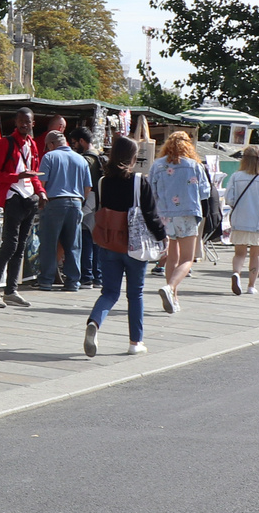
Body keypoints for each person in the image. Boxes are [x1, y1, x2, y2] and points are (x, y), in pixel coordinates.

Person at [83, 136, 167, 358]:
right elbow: (151, 215)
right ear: (132, 157)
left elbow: (98, 210)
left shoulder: (102, 182)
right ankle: (135, 342)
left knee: (109, 292)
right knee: (135, 294)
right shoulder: (140, 181)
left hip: (109, 244)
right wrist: (162, 238)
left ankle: (94, 322)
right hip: (135, 246)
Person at [0, 107, 44, 308]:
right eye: (21, 121)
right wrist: (16, 177)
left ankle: (11, 290)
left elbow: (34, 173)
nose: (25, 125)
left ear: (33, 123)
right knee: (9, 245)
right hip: (13, 198)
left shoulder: (32, 144)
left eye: (28, 122)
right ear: (16, 122)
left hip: (29, 199)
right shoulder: (5, 143)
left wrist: (40, 192)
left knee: (20, 246)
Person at [148, 131, 208, 314]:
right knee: (187, 258)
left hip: (165, 214)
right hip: (188, 213)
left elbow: (150, 189)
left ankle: (174, 298)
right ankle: (170, 287)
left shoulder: (158, 165)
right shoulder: (194, 165)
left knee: (172, 257)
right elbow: (205, 191)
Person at [35, 130, 90, 293]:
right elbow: (88, 187)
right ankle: (73, 282)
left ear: (51, 144)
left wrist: (40, 202)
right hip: (76, 203)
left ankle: (46, 280)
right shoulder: (81, 159)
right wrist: (80, 201)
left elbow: (42, 183)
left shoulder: (49, 157)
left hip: (54, 203)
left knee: (49, 244)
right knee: (73, 244)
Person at [222, 146, 259, 295]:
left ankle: (236, 273)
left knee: (239, 253)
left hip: (239, 219)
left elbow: (229, 198)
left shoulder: (236, 176)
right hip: (258, 222)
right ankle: (251, 285)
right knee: (256, 255)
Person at [70, 127, 104, 287]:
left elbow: (87, 188)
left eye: (75, 143)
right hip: (100, 206)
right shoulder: (101, 157)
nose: (74, 146)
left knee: (86, 241)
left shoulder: (86, 160)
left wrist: (81, 209)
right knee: (97, 242)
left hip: (88, 205)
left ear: (82, 141)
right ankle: (98, 277)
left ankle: (87, 276)